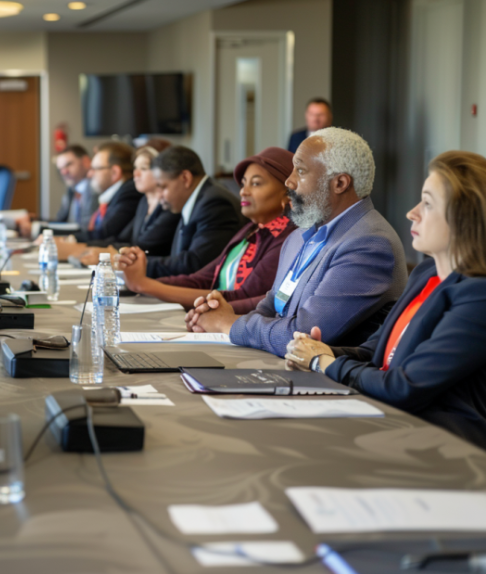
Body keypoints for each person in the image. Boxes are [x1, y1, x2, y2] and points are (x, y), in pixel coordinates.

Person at [285, 151, 486, 449]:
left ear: (464, 218)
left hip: (445, 445)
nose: (412, 212)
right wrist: (321, 350)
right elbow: (375, 353)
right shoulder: (425, 274)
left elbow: (404, 386)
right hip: (388, 420)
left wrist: (321, 362)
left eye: (428, 204)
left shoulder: (477, 295)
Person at [187, 127, 408, 357]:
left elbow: (303, 335)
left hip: (328, 384)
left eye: (300, 171)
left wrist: (228, 324)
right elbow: (271, 305)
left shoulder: (369, 245)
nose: (289, 181)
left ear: (340, 183)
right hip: (276, 364)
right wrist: (216, 315)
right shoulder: (300, 236)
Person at [119, 147, 296, 313]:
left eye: (256, 184)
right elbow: (202, 279)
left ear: (287, 193)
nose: (243, 191)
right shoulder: (250, 230)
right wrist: (141, 283)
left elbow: (244, 297)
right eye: (243, 183)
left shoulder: (288, 238)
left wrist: (144, 285)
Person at [125, 145, 243, 278]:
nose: (159, 195)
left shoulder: (215, 203)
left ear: (185, 178)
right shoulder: (193, 200)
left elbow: (195, 264)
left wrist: (139, 265)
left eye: (163, 187)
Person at [78, 139, 180, 265]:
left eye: (143, 168)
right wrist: (96, 248)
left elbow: (144, 246)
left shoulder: (170, 204)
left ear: (160, 171)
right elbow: (125, 239)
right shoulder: (143, 202)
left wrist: (109, 254)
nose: (135, 174)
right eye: (135, 168)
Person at [51, 142, 139, 260]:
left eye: (95, 169)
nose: (90, 173)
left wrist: (70, 242)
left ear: (115, 173)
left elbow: (106, 233)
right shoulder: (112, 195)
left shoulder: (129, 193)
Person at [15, 145, 97, 236]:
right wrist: (34, 220)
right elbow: (62, 222)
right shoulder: (72, 190)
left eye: (68, 165)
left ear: (85, 161)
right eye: (60, 169)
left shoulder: (95, 189)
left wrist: (37, 229)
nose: (64, 172)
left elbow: (84, 229)